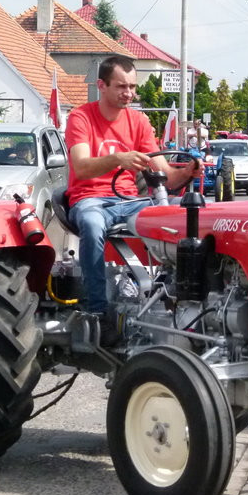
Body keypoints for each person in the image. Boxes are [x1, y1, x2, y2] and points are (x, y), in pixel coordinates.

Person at [64, 55, 199, 338]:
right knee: (91, 223)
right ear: (101, 85)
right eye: (121, 86)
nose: (129, 93)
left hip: (130, 201)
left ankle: (183, 295)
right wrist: (118, 159)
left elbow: (165, 175)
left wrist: (187, 171)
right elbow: (81, 166)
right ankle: (97, 311)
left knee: (188, 214)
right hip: (91, 199)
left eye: (132, 87)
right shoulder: (81, 117)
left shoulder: (138, 121)